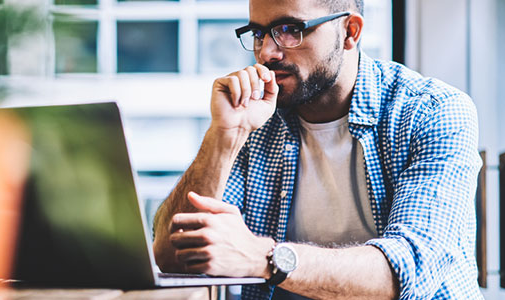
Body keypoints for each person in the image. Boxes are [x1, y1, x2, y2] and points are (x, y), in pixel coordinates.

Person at [152, 0, 482, 299]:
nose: (268, 52)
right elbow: (171, 258)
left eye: (290, 30)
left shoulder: (432, 111)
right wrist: (223, 137)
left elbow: (406, 271)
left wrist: (262, 258)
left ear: (350, 32)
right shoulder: (256, 119)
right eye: (258, 33)